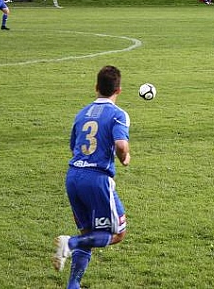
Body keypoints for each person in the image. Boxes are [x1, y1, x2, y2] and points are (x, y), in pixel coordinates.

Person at [52, 65, 130, 289]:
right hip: (97, 180)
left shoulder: (82, 113)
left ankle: (73, 285)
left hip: (73, 176)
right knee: (118, 233)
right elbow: (121, 145)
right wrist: (125, 157)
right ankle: (70, 243)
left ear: (96, 87)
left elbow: (73, 146)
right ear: (119, 90)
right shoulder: (118, 114)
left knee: (88, 234)